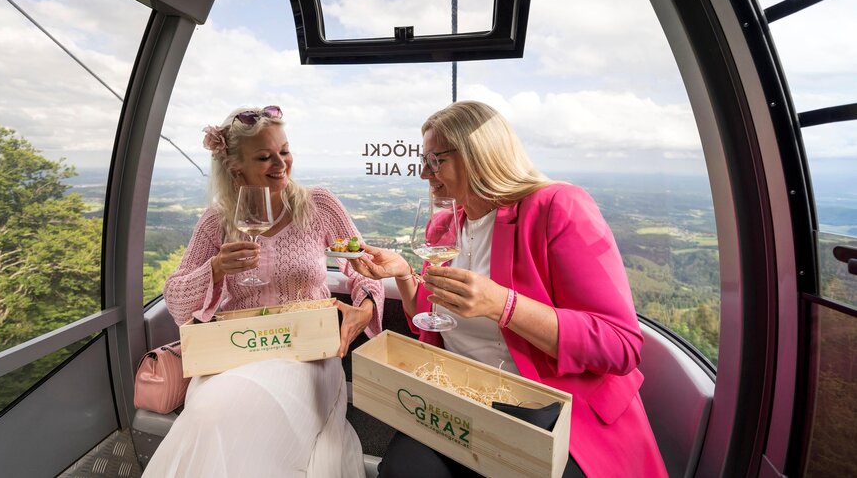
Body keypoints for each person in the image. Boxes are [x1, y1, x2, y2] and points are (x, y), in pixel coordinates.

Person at [351, 101, 667, 478]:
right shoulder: (444, 226)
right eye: (424, 160)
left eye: (436, 160)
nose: (424, 173)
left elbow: (620, 345)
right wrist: (404, 275)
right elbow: (437, 315)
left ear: (478, 155)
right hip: (461, 401)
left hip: (549, 411)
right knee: (401, 471)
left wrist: (504, 305)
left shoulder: (557, 207)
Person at [144, 105, 384, 477]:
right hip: (237, 348)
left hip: (306, 352)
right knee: (210, 413)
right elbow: (176, 301)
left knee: (235, 416)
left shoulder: (319, 206)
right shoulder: (217, 221)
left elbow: (365, 266)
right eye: (264, 157)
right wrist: (215, 268)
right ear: (235, 166)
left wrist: (364, 307)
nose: (280, 163)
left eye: (284, 151)